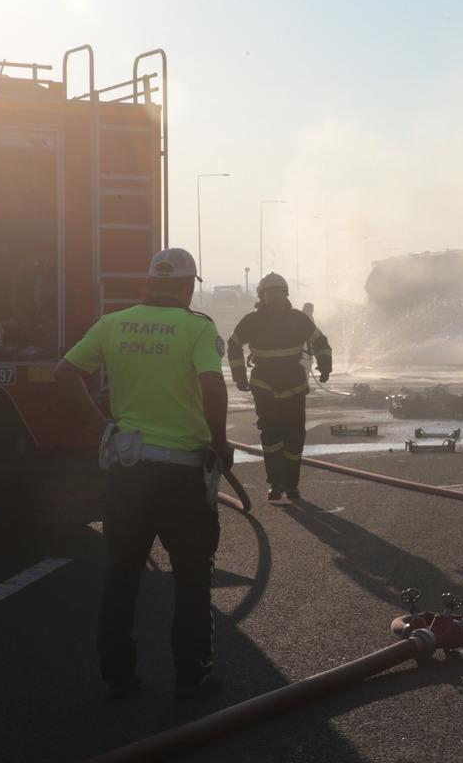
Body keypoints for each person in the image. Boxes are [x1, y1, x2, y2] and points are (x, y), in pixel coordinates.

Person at [53, 247, 232, 699]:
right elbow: (212, 386)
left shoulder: (114, 324)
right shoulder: (197, 328)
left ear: (151, 282)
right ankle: (192, 673)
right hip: (181, 477)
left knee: (121, 574)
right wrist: (219, 441)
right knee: (192, 577)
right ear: (189, 285)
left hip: (128, 472)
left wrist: (101, 425)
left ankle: (117, 673)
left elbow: (65, 372)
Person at [228, 273, 331, 502]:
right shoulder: (251, 321)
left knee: (294, 437)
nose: (274, 297)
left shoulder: (298, 319)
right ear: (261, 296)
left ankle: (291, 485)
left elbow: (320, 342)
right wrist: (239, 376)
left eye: (278, 292)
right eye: (269, 293)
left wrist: (325, 366)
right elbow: (233, 345)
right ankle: (275, 483)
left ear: (286, 294)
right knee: (271, 435)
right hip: (264, 386)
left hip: (294, 386)